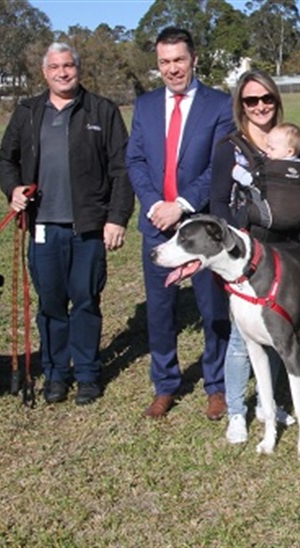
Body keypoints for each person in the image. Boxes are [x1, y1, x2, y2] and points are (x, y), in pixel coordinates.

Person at [0, 42, 133, 406]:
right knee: (51, 303)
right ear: (45, 72)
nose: (62, 72)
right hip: (42, 226)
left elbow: (122, 169)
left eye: (68, 65)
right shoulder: (27, 112)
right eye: (55, 67)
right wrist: (12, 189)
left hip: (87, 227)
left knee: (85, 301)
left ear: (78, 68)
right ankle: (55, 373)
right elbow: (5, 160)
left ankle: (87, 373)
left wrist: (116, 218)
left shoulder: (101, 111)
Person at [209, 70, 300, 443]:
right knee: (240, 338)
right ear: (240, 105)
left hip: (289, 251)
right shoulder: (228, 147)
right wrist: (234, 248)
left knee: (278, 331)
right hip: (248, 254)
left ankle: (266, 403)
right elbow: (217, 200)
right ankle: (235, 411)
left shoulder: (291, 141)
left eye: (267, 99)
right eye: (251, 100)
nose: (260, 106)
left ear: (277, 101)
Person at [127, 27, 235, 419]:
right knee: (160, 309)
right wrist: (156, 203)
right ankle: (166, 385)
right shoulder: (145, 105)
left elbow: (219, 165)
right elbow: (135, 161)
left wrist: (183, 204)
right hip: (157, 221)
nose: (173, 69)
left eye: (179, 60)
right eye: (165, 62)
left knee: (212, 308)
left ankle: (217, 385)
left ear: (193, 60)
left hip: (200, 224)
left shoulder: (220, 105)